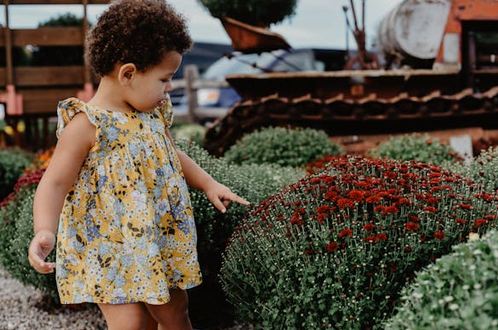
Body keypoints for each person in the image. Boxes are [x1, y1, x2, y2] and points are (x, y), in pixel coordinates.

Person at [27, 1, 250, 329]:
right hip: (111, 249)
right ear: (128, 73)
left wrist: (208, 183)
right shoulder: (87, 124)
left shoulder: (152, 115)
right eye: (165, 78)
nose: (169, 88)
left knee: (176, 314)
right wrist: (44, 230)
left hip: (159, 240)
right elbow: (55, 182)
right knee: (132, 323)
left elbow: (171, 154)